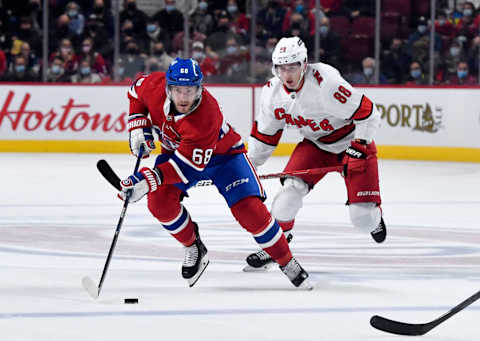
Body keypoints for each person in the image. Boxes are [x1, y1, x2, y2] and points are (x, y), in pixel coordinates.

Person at [118, 57, 312, 289]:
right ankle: (193, 246)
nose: (183, 98)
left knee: (250, 211)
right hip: (178, 153)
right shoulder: (154, 87)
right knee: (159, 203)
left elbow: (187, 168)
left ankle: (286, 260)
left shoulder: (206, 115)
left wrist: (147, 180)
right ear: (168, 87)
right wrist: (137, 122)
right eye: (178, 90)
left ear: (200, 88)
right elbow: (134, 92)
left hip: (225, 158)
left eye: (190, 91)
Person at [244, 37, 387, 270]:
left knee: (361, 219)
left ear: (304, 64)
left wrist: (359, 145)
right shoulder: (272, 93)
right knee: (286, 198)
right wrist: (247, 167)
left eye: (292, 67)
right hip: (316, 145)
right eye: (281, 68)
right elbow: (264, 138)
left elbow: (369, 114)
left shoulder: (326, 83)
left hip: (353, 143)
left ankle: (375, 217)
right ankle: (277, 246)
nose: (287, 74)